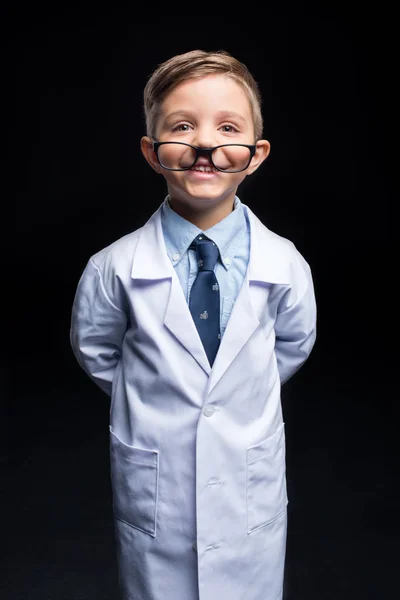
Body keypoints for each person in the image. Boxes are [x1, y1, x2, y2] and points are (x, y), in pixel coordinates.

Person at [70, 49, 317, 600]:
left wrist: (231, 396)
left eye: (227, 128)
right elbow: (97, 350)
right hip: (160, 490)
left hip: (245, 486)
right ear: (151, 151)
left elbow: (293, 345)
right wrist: (153, 396)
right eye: (182, 127)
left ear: (256, 154)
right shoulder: (113, 267)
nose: (205, 144)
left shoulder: (285, 265)